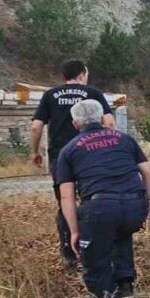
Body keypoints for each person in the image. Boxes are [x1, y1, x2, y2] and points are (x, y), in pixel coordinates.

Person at [55, 99, 150, 298]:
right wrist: (144, 203)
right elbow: (149, 172)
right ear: (102, 119)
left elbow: (67, 197)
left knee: (94, 263)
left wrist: (73, 231)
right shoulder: (124, 139)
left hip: (100, 209)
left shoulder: (70, 150)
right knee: (120, 231)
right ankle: (126, 284)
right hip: (134, 206)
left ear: (75, 123)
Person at [31, 59, 115, 266]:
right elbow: (110, 123)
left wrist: (35, 151)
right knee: (93, 200)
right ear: (81, 75)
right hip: (91, 155)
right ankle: (95, 248)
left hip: (60, 157)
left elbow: (36, 126)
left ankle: (69, 253)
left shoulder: (50, 95)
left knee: (65, 203)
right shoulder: (93, 93)